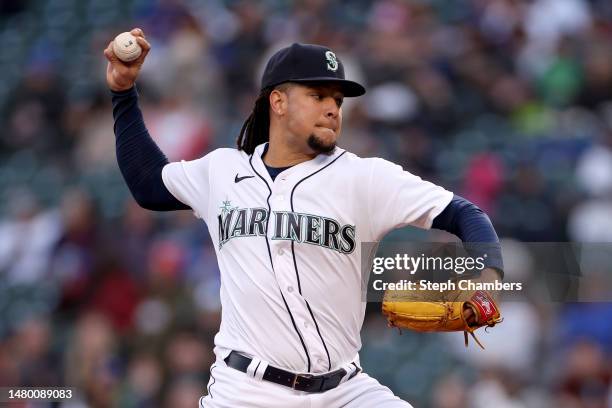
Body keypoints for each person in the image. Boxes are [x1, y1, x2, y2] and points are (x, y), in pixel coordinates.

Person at [105, 28, 503, 408]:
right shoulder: (223, 171)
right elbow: (148, 185)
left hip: (344, 389)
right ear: (278, 102)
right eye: (317, 95)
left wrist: (488, 283)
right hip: (247, 390)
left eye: (338, 100)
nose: (332, 108)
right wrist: (123, 93)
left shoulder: (364, 178)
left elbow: (466, 215)